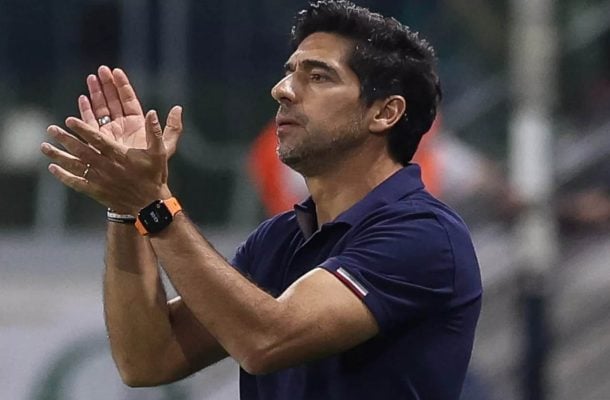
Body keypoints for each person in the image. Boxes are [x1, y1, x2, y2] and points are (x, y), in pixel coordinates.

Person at [40, 1, 482, 398]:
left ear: (385, 112)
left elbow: (267, 340)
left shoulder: (423, 235)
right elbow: (148, 361)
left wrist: (153, 203)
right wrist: (127, 204)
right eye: (290, 72)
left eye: (318, 76)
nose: (283, 89)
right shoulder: (278, 239)